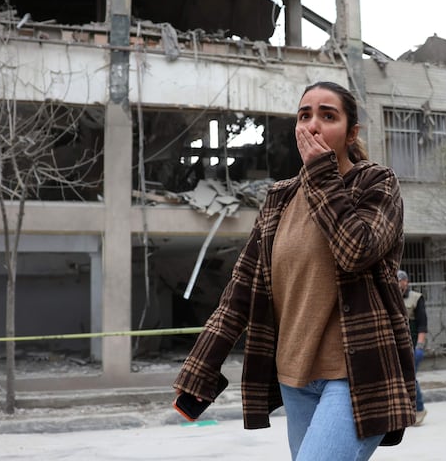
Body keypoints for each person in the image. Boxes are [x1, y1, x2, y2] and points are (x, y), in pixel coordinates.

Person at [174, 81, 416, 460]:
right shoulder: (279, 198)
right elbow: (239, 292)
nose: (313, 125)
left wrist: (322, 172)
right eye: (305, 115)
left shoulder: (377, 183)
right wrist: (200, 369)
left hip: (356, 375)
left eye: (328, 115)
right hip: (295, 379)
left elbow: (357, 249)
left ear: (351, 133)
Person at [397, 269, 428, 425]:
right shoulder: (392, 298)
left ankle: (419, 409)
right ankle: (407, 411)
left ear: (406, 282)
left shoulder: (416, 298)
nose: (398, 283)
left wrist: (419, 347)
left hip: (413, 346)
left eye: (400, 280)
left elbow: (423, 324)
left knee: (410, 378)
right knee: (402, 379)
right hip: (398, 347)